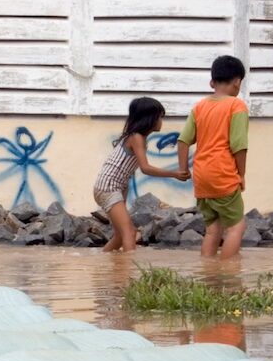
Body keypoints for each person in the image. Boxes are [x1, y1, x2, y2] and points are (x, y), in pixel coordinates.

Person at [177, 55, 250, 259]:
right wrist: (241, 174)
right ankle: (227, 273)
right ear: (237, 82)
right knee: (237, 227)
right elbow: (239, 146)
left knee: (212, 229)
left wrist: (183, 169)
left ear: (212, 82)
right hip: (223, 173)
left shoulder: (199, 106)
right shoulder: (237, 106)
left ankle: (207, 271)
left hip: (201, 177)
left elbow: (183, 140)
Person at [93, 96, 187, 252]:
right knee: (130, 233)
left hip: (113, 187)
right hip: (109, 187)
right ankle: (131, 274)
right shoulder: (137, 137)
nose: (161, 121)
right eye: (159, 117)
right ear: (149, 119)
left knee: (119, 237)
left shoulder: (135, 136)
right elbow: (145, 168)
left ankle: (102, 268)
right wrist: (174, 174)